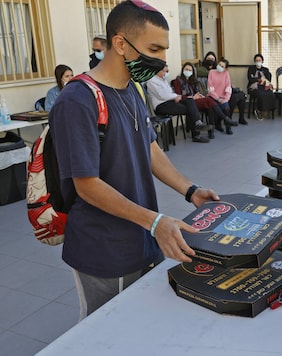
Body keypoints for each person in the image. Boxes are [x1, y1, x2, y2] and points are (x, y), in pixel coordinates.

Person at [49, 0, 220, 319]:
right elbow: (86, 185)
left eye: (164, 50)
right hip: (104, 249)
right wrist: (155, 222)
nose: (160, 60)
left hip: (143, 238)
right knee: (108, 330)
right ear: (120, 43)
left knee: (145, 321)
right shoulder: (77, 101)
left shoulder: (132, 89)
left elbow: (150, 148)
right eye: (154, 48)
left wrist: (190, 190)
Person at [147, 65, 213, 142]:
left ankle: (198, 123)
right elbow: (163, 96)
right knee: (190, 108)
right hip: (161, 105)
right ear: (159, 71)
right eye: (166, 71)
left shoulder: (163, 80)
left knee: (190, 101)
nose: (167, 73)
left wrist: (177, 97)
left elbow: (169, 93)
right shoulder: (152, 81)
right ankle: (196, 134)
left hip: (170, 101)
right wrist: (178, 96)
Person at [171, 62, 238, 136]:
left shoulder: (192, 80)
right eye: (186, 69)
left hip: (193, 100)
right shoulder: (178, 81)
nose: (188, 71)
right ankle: (226, 119)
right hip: (185, 101)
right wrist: (193, 97)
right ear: (182, 70)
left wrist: (199, 95)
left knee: (209, 105)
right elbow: (178, 96)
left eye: (190, 70)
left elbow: (195, 92)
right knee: (209, 100)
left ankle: (211, 130)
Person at [199, 51, 247, 125]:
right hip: (212, 95)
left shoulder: (225, 73)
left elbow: (227, 85)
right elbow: (210, 87)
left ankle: (234, 121)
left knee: (240, 95)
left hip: (224, 93)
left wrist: (225, 99)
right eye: (209, 58)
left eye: (212, 59)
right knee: (228, 101)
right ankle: (222, 122)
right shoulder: (208, 71)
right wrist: (218, 98)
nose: (210, 60)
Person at [247, 53, 276, 120]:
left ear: (262, 61)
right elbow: (250, 79)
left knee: (271, 94)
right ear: (255, 61)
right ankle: (259, 111)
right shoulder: (251, 69)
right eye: (256, 60)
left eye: (259, 60)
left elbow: (268, 79)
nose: (258, 62)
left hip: (264, 86)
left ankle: (267, 110)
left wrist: (258, 79)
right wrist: (260, 80)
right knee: (261, 94)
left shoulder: (266, 69)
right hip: (254, 87)